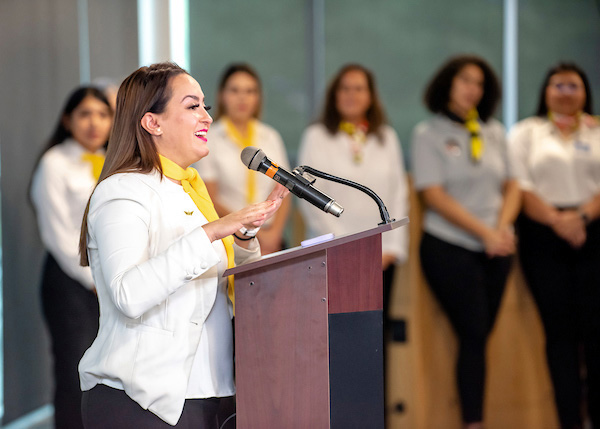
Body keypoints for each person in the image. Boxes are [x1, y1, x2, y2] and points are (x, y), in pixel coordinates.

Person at [77, 62, 288, 428]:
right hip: (141, 401)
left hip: (212, 393)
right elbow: (129, 294)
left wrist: (243, 236)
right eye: (193, 106)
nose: (207, 117)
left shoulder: (188, 188)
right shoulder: (121, 190)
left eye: (205, 105)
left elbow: (213, 277)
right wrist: (211, 232)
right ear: (152, 122)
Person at [411, 55, 520, 429]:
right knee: (473, 333)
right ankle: (474, 422)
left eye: (479, 83)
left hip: (496, 250)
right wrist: (486, 233)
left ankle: (475, 418)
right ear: (447, 84)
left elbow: (513, 186)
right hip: (450, 246)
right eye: (464, 80)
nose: (472, 89)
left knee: (479, 337)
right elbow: (433, 194)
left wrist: (502, 230)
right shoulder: (429, 133)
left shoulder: (494, 132)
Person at [508, 62, 600, 429]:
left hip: (593, 233)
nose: (564, 91)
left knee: (595, 335)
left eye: (573, 85)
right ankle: (569, 421)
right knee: (559, 336)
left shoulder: (597, 130)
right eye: (557, 84)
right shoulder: (528, 132)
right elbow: (521, 184)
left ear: (585, 91)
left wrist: (581, 218)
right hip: (542, 238)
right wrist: (558, 221)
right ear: (545, 91)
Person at [298, 63, 409, 323]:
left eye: (359, 89)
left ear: (370, 96)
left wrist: (391, 247)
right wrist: (337, 247)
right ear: (334, 95)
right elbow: (308, 196)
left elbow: (399, 194)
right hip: (332, 255)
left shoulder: (386, 137)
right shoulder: (316, 136)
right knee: (338, 329)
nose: (351, 95)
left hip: (380, 255)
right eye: (345, 88)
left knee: (376, 331)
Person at [30, 86, 112, 428]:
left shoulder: (117, 161)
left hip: (114, 279)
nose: (94, 123)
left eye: (103, 114)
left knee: (110, 373)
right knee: (74, 372)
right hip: (71, 283)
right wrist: (92, 280)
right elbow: (56, 232)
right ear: (67, 120)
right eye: (84, 114)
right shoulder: (55, 163)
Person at [194, 63, 291, 255]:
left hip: (271, 237)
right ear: (222, 95)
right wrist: (249, 230)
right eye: (235, 90)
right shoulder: (209, 137)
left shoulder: (270, 136)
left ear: (258, 97)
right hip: (229, 236)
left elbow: (284, 189)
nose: (242, 97)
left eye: (250, 91)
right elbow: (210, 198)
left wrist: (274, 234)